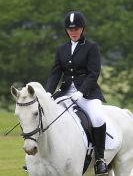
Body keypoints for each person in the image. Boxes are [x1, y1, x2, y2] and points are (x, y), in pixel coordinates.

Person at [46, 11, 108, 175]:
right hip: (65, 92)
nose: (73, 32)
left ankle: (100, 159)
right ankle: (41, 157)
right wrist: (47, 93)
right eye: (70, 29)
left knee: (98, 117)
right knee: (44, 116)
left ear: (82, 29)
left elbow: (94, 73)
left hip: (87, 93)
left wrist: (81, 92)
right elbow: (55, 73)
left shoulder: (91, 47)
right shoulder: (61, 49)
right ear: (66, 30)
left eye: (76, 29)